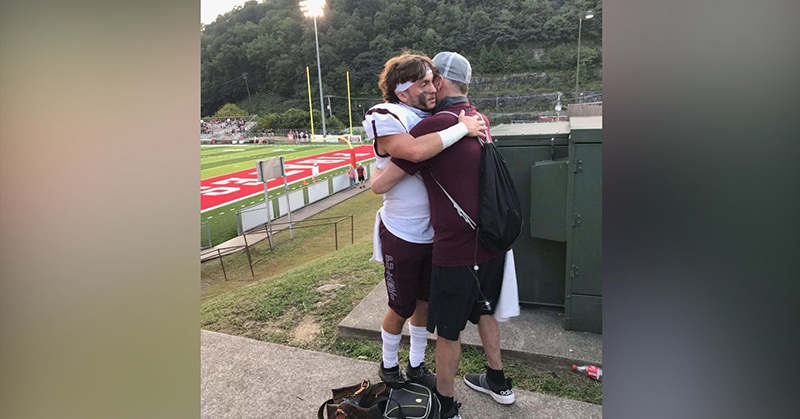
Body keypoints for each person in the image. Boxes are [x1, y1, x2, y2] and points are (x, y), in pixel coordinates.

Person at [371, 52, 516, 419]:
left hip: (454, 247)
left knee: (448, 332)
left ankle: (446, 407)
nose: (429, 85)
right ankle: (499, 382)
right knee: (484, 311)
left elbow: (382, 182)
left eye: (430, 78)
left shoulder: (432, 126)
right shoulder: (479, 118)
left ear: (440, 81)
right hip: (490, 242)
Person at [361, 52, 486, 391]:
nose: (433, 88)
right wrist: (461, 128)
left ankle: (416, 363)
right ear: (402, 92)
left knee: (425, 305)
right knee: (400, 306)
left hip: (434, 232)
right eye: (423, 83)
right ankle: (389, 366)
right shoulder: (388, 114)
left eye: (433, 80)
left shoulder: (434, 115)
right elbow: (414, 152)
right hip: (401, 231)